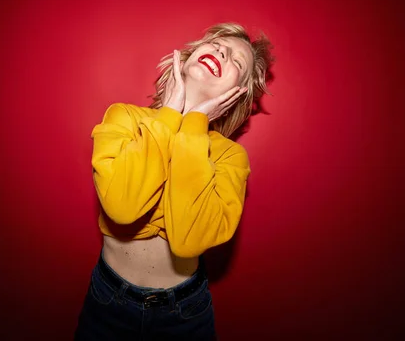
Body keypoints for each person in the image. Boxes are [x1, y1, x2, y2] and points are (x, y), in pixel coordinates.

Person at [74, 23, 274, 340]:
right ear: (189, 56)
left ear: (238, 94)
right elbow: (124, 208)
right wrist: (170, 114)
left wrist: (195, 124)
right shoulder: (124, 117)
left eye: (238, 62)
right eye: (218, 44)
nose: (224, 51)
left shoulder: (229, 157)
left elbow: (188, 241)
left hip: (184, 315)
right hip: (107, 301)